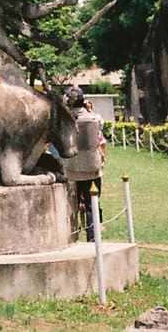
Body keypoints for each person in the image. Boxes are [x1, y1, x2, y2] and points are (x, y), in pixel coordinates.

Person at [61, 86, 106, 240]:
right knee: (92, 203)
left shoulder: (64, 122)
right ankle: (93, 237)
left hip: (71, 169)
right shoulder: (95, 118)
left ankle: (72, 237)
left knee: (71, 205)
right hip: (92, 168)